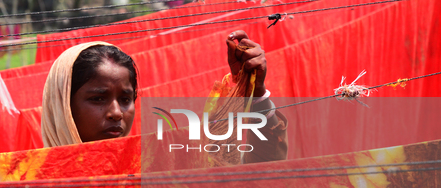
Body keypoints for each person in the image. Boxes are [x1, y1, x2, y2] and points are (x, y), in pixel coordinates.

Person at [40, 31, 288, 163]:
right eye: (98, 98)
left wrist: (256, 95)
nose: (116, 112)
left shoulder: (158, 169)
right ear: (63, 107)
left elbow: (257, 180)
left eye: (126, 99)